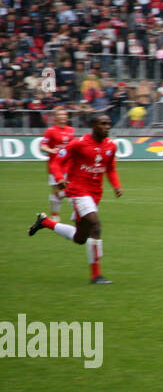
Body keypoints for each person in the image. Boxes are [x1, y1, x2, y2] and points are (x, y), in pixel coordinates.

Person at [28, 114, 122, 284]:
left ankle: (45, 222)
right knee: (96, 225)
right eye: (103, 124)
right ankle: (96, 275)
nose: (107, 126)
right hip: (78, 191)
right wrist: (59, 178)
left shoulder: (110, 146)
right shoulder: (78, 144)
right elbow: (57, 162)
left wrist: (116, 186)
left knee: (80, 238)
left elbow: (111, 168)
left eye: (109, 123)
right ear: (93, 126)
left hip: (95, 194)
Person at [38, 107, 76, 222]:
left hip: (69, 165)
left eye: (64, 114)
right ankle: (55, 214)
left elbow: (73, 146)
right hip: (55, 165)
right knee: (57, 191)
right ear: (55, 117)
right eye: (60, 114)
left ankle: (76, 214)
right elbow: (43, 145)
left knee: (71, 189)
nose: (63, 116)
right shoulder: (50, 131)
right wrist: (51, 151)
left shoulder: (71, 130)